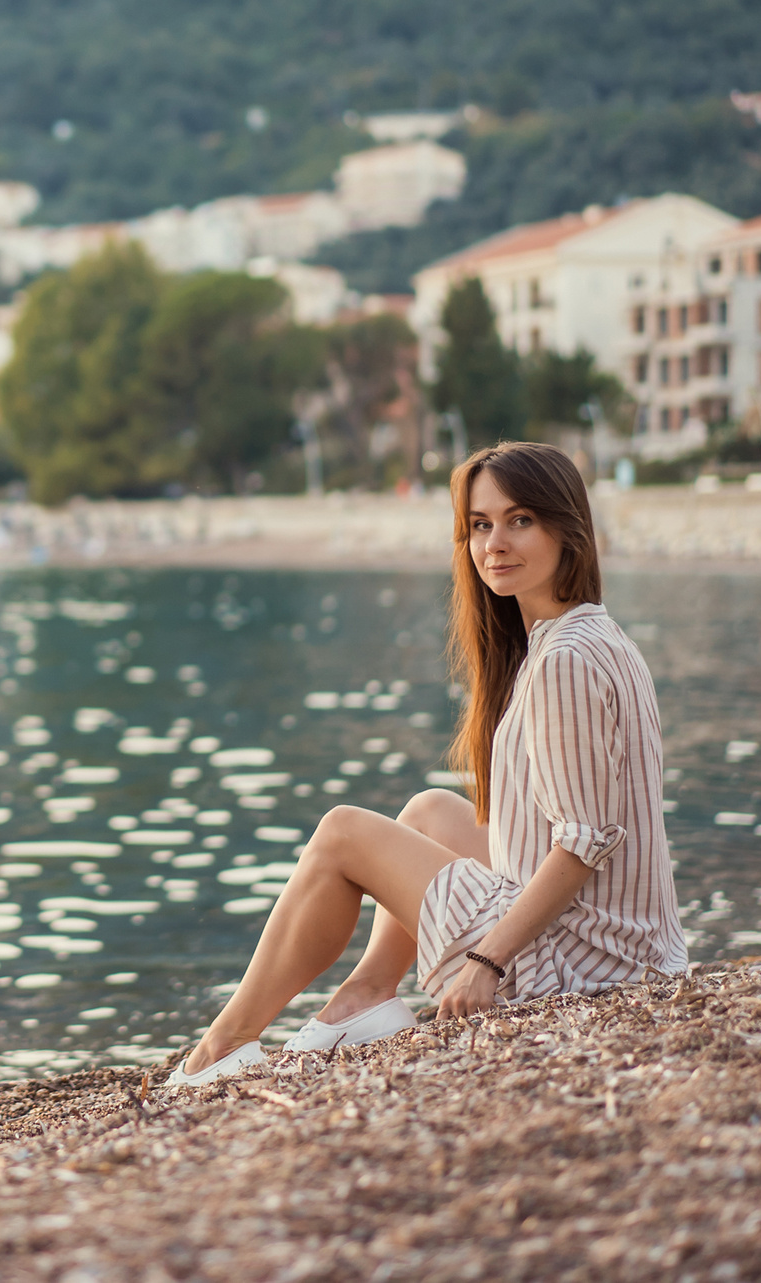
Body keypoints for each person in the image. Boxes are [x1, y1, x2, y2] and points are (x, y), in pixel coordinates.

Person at [169, 440, 686, 1086]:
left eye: (520, 519)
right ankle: (366, 996)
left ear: (566, 529)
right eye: (480, 524)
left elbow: (586, 841)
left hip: (583, 965)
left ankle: (223, 1044)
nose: (496, 541)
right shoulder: (590, 634)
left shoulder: (564, 662)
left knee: (341, 834)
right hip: (628, 945)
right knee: (430, 812)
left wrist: (487, 962)